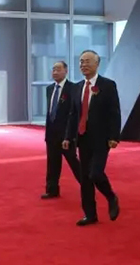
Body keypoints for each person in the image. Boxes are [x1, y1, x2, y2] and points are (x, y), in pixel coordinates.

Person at [63, 50, 121, 226]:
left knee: (95, 173)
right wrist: (68, 137)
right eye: (81, 62)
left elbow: (114, 112)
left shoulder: (108, 85)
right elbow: (73, 114)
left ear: (97, 63)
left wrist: (114, 136)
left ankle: (110, 196)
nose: (84, 65)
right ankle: (90, 214)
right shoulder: (76, 87)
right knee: (85, 178)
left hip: (101, 138)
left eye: (88, 61)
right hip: (82, 137)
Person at [42, 61, 81, 199]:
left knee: (73, 162)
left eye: (58, 69)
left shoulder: (73, 88)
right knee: (52, 163)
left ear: (66, 71)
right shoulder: (49, 89)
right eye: (53, 69)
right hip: (51, 134)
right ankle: (52, 189)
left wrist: (69, 136)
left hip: (66, 135)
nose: (55, 72)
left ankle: (87, 185)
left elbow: (74, 113)